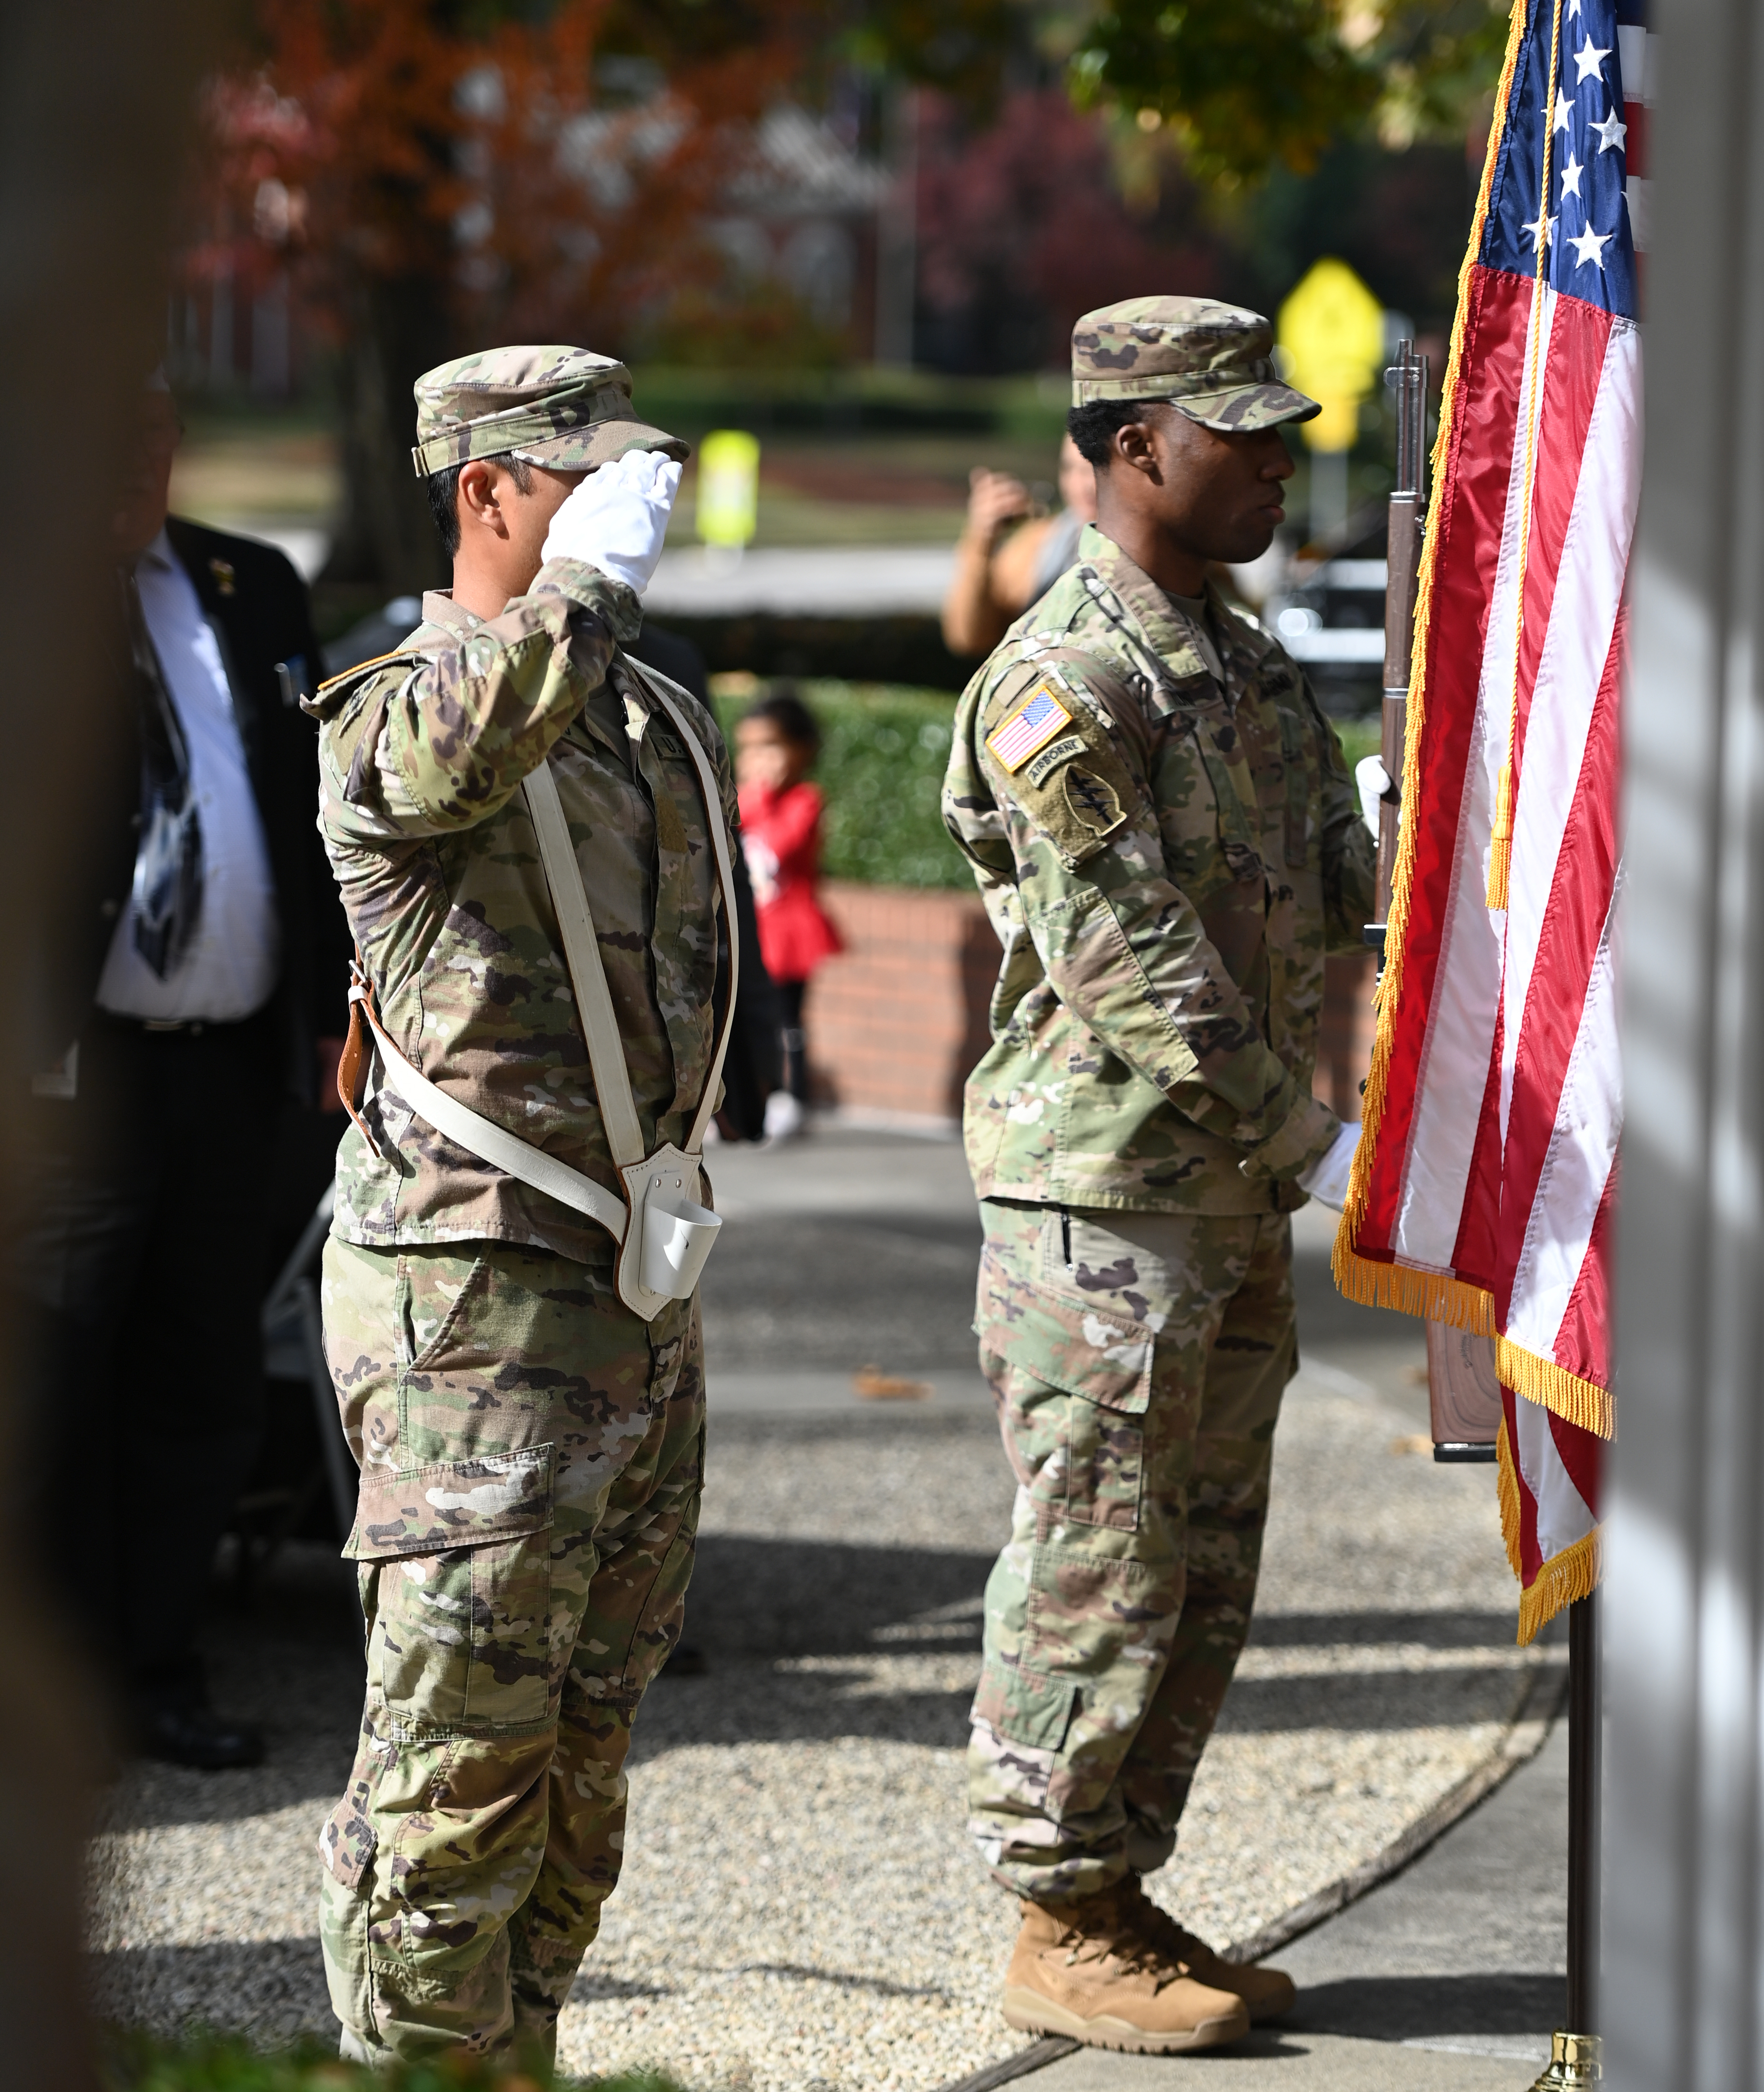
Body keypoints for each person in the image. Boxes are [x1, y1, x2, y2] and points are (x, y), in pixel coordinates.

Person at [941, 297, 1376, 2054]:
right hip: (1104, 1204)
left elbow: (1336, 882)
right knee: (1100, 1560)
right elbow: (1132, 967)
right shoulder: (1066, 680)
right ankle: (1052, 1911)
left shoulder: (1240, 658)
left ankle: (1114, 1885)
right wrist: (1314, 1138)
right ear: (1132, 444)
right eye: (1238, 433)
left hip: (1219, 1204)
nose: (1275, 462)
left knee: (1199, 1568)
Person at [306, 346, 733, 2065]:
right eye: (586, 479)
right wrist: (583, 588)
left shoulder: (639, 707)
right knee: (446, 1801)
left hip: (628, 1297)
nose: (634, 510)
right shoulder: (391, 709)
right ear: (488, 495)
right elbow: (458, 751)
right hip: (469, 1318)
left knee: (575, 1780)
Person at [11, 371, 350, 1771]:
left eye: (155, 433)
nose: (135, 458)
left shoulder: (248, 583)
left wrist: (337, 1014)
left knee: (197, 1380)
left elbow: (320, 806)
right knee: (57, 1379)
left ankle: (156, 1669)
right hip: (66, 1077)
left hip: (228, 1067)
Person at [734, 688, 843, 1138]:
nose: (759, 759)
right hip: (754, 927)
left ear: (801, 749)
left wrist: (759, 794)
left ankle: (792, 1097)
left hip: (791, 930)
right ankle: (747, 1096)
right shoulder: (742, 796)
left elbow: (778, 846)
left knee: (788, 1019)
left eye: (771, 746)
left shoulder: (806, 800)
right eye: (750, 748)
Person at [941, 433, 1099, 658]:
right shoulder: (1039, 542)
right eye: (1070, 468)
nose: (1083, 485)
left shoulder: (1151, 546)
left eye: (1094, 468)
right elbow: (969, 639)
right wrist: (982, 542)